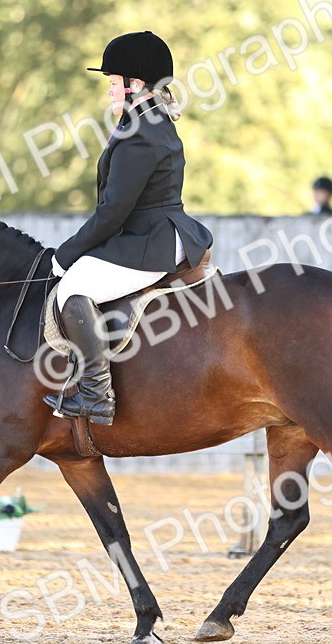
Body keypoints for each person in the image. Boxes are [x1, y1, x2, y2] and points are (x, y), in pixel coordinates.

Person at [45, 30, 214, 426]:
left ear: (135, 84)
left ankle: (96, 394)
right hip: (154, 233)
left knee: (74, 287)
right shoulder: (144, 121)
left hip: (150, 240)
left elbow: (113, 212)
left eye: (113, 82)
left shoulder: (140, 133)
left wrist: (64, 255)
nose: (109, 90)